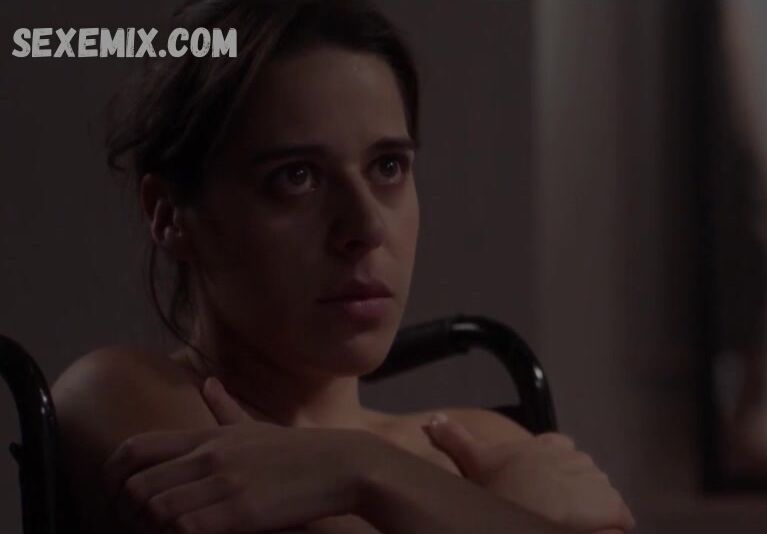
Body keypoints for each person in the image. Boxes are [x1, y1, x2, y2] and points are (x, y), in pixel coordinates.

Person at [50, 1, 634, 532]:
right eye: (296, 177)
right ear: (170, 214)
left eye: (388, 167)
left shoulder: (481, 441)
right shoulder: (122, 395)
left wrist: (360, 469)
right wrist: (370, 473)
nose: (366, 226)